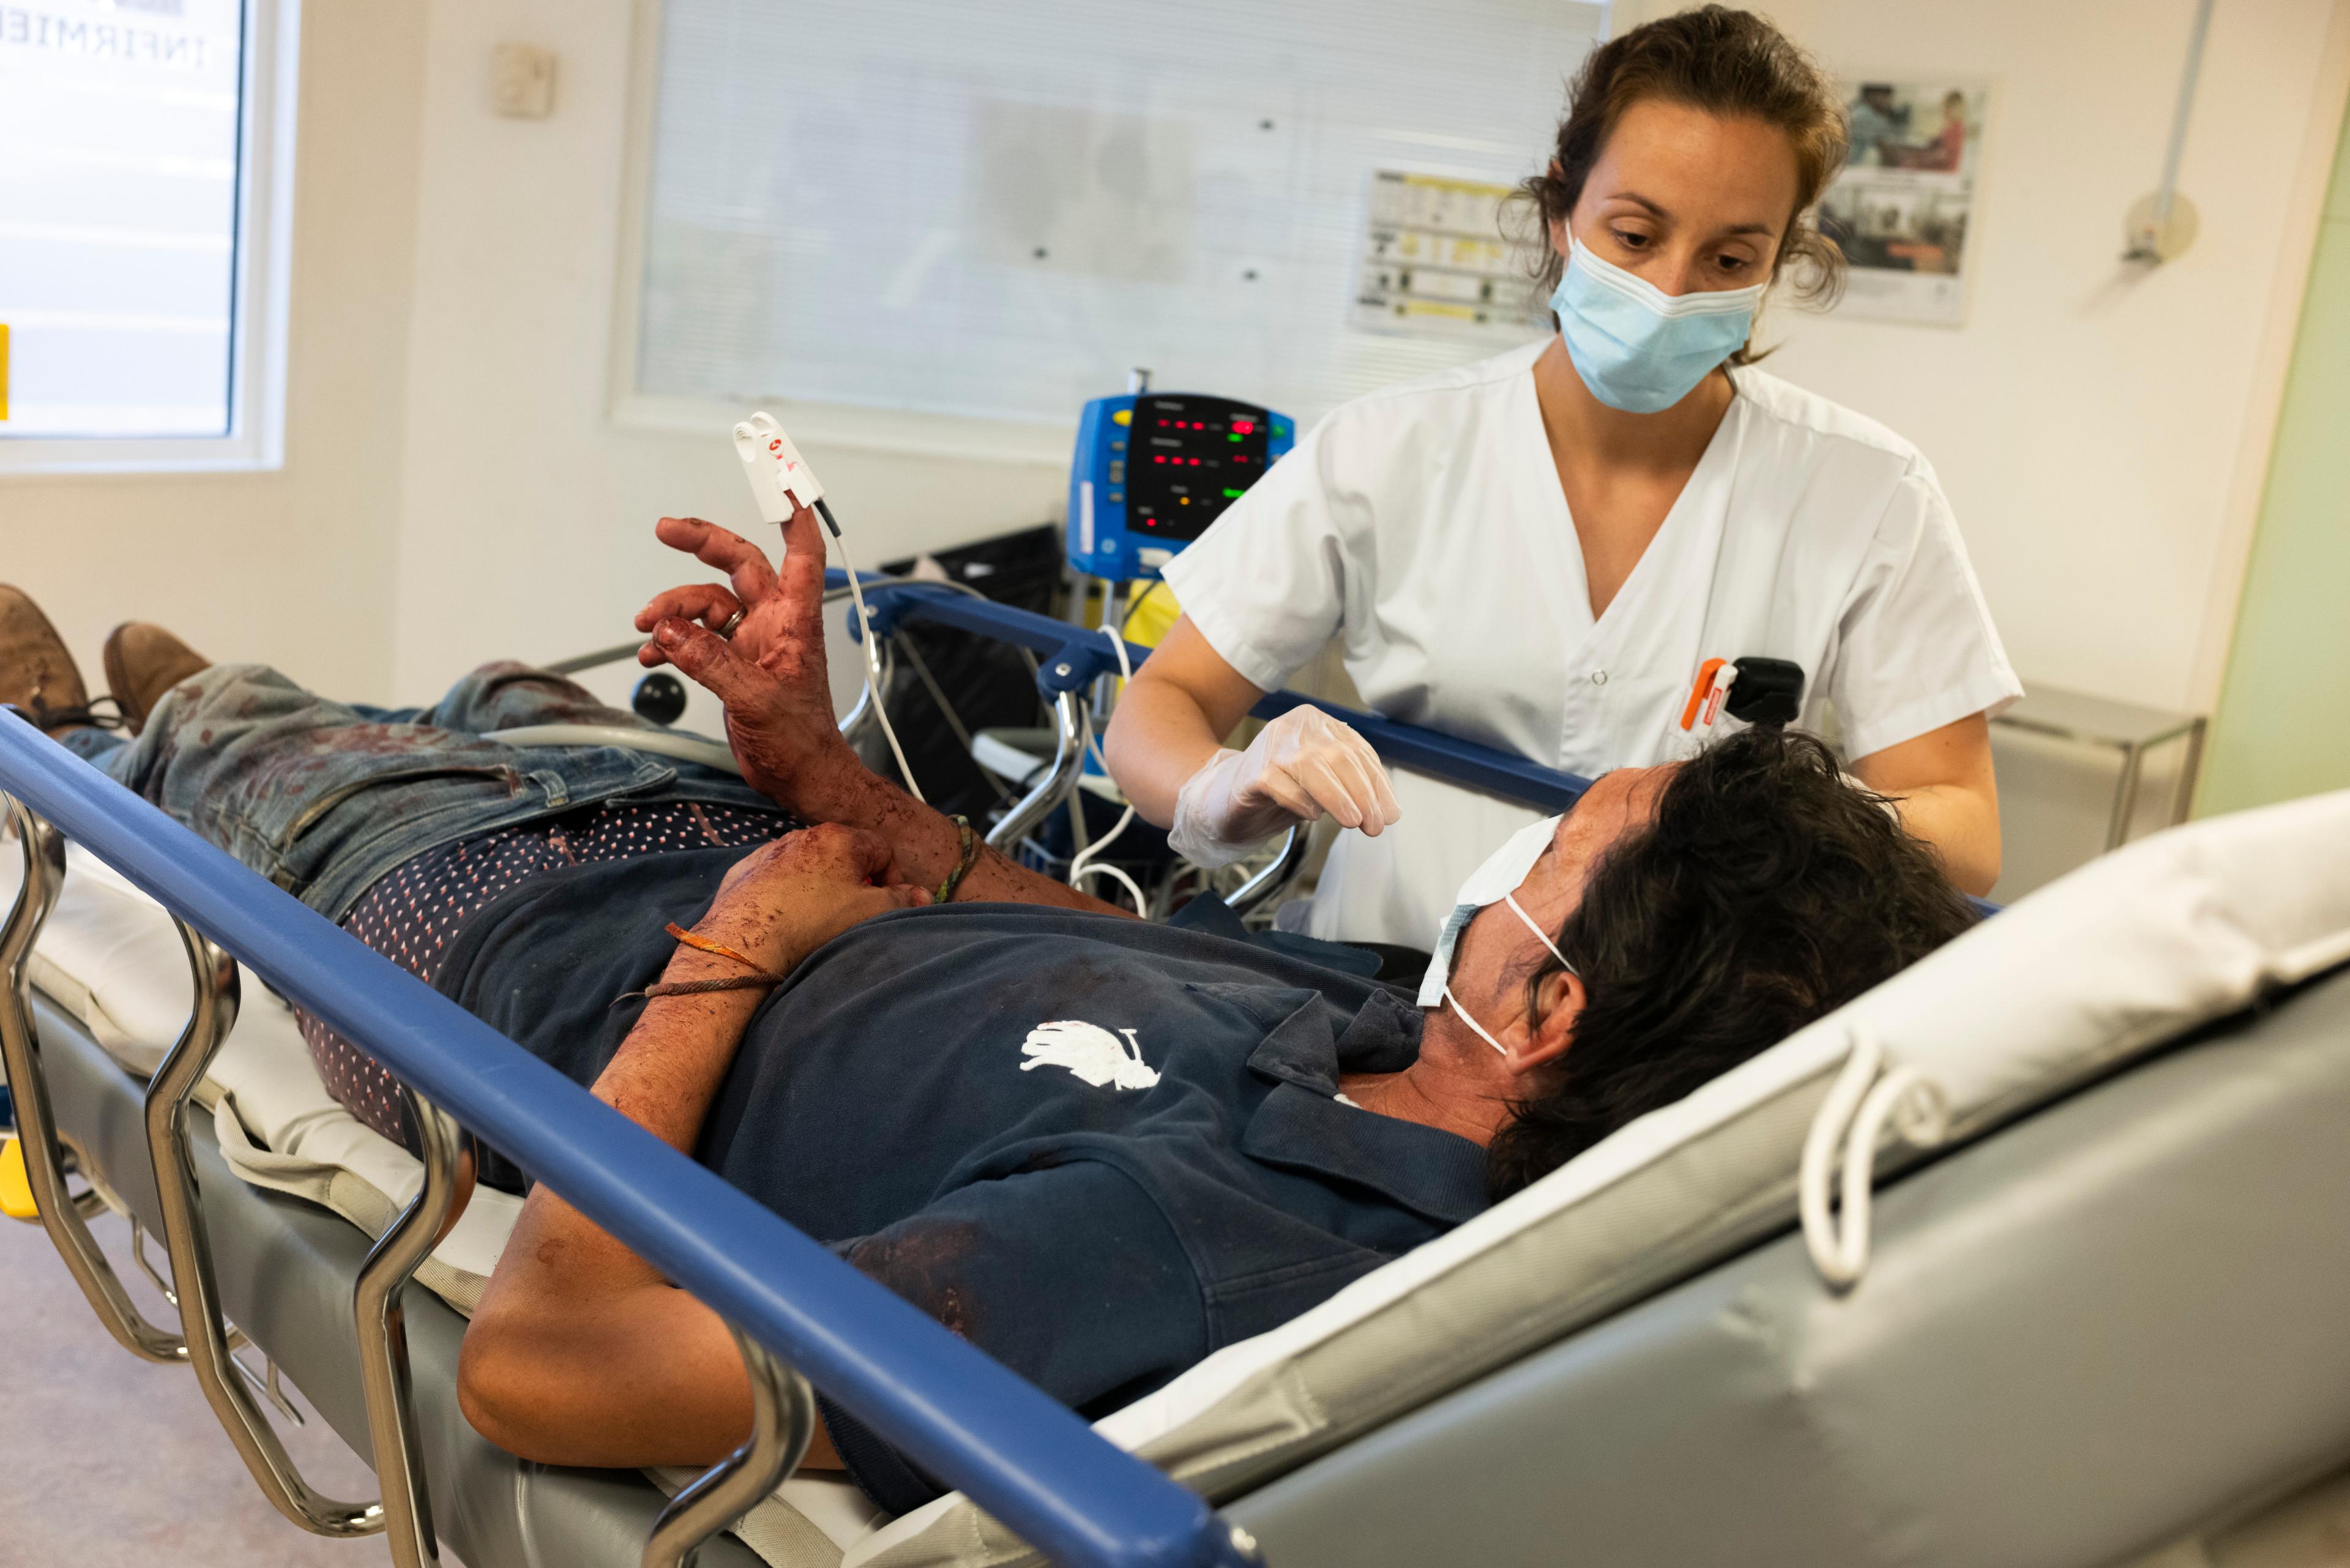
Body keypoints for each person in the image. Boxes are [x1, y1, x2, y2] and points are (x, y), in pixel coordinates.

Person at [0, 508, 1977, 1510]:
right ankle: (270, 710)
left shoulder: (1187, 1257)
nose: (1518, 849)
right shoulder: (1422, 1035)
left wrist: (734, 951)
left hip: (544, 946)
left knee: (272, 747)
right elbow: (1097, 936)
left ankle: (121, 725)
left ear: (1547, 1003)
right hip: (755, 847)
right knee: (516, 690)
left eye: (1564, 839)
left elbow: (547, 1374)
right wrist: (829, 775)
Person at [1103, 6, 2021, 957]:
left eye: (1728, 258)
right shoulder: (1389, 446)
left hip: (1672, 1014)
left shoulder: (1867, 492)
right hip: (1381, 981)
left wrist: (1767, 816)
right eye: (1635, 234)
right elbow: (1157, 708)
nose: (1670, 290)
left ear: (1774, 265)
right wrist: (1222, 785)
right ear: (1560, 212)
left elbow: (1963, 827)